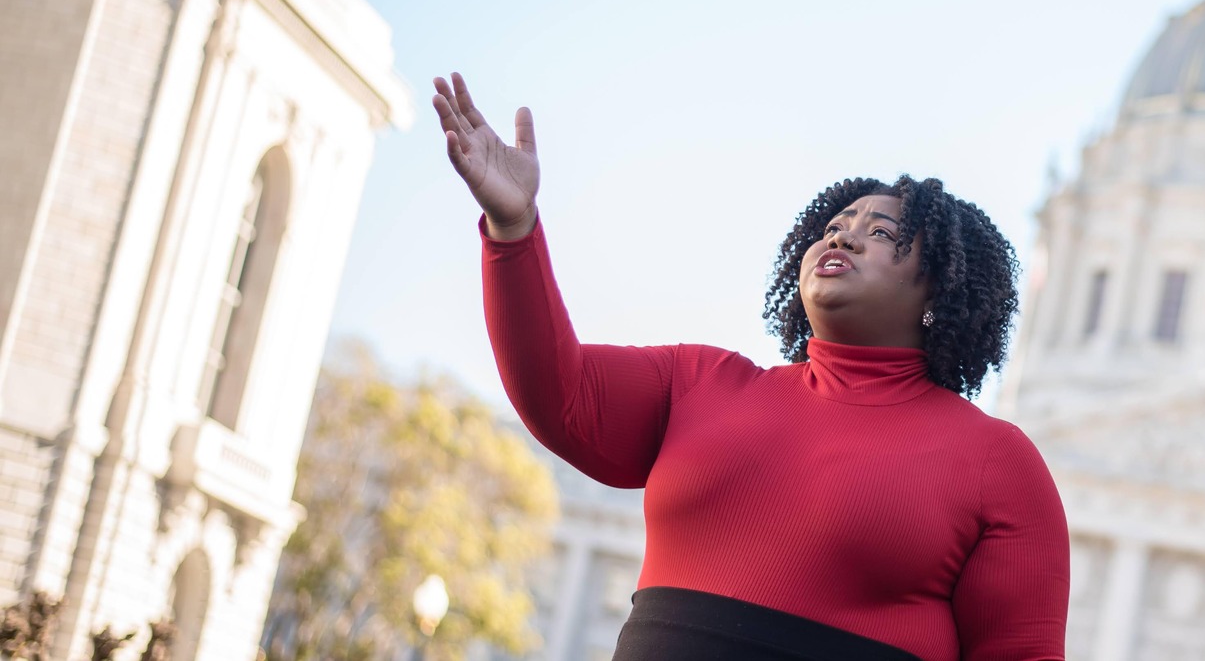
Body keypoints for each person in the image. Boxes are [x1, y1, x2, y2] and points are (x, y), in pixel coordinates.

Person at [429, 72, 1069, 660]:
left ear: (941, 290)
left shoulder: (997, 463)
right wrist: (514, 228)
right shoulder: (699, 382)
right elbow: (558, 394)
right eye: (836, 224)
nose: (841, 236)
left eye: (881, 233)